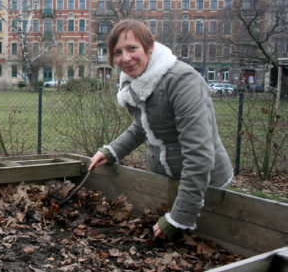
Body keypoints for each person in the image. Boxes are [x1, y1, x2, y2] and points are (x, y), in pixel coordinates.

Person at [88, 19, 233, 239]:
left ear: (149, 47)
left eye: (132, 48)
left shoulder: (182, 82)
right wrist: (112, 150)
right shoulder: (135, 81)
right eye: (117, 52)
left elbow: (199, 154)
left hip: (204, 188)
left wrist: (180, 216)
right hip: (167, 181)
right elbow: (145, 126)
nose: (125, 58)